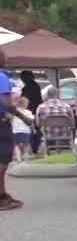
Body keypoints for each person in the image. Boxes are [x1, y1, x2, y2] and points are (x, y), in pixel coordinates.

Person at [0, 51, 30, 210]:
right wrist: (21, 116)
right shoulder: (2, 77)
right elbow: (4, 101)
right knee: (3, 159)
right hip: (1, 122)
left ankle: (3, 194)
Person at [35, 86, 77, 153]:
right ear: (58, 95)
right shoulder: (67, 106)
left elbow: (37, 124)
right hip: (64, 134)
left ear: (47, 95)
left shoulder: (40, 107)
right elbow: (73, 123)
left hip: (48, 134)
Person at [19, 71, 43, 155]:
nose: (22, 79)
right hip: (35, 109)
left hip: (32, 110)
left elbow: (26, 100)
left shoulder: (28, 87)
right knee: (36, 130)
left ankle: (33, 148)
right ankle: (34, 147)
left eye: (22, 78)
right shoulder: (35, 86)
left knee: (32, 130)